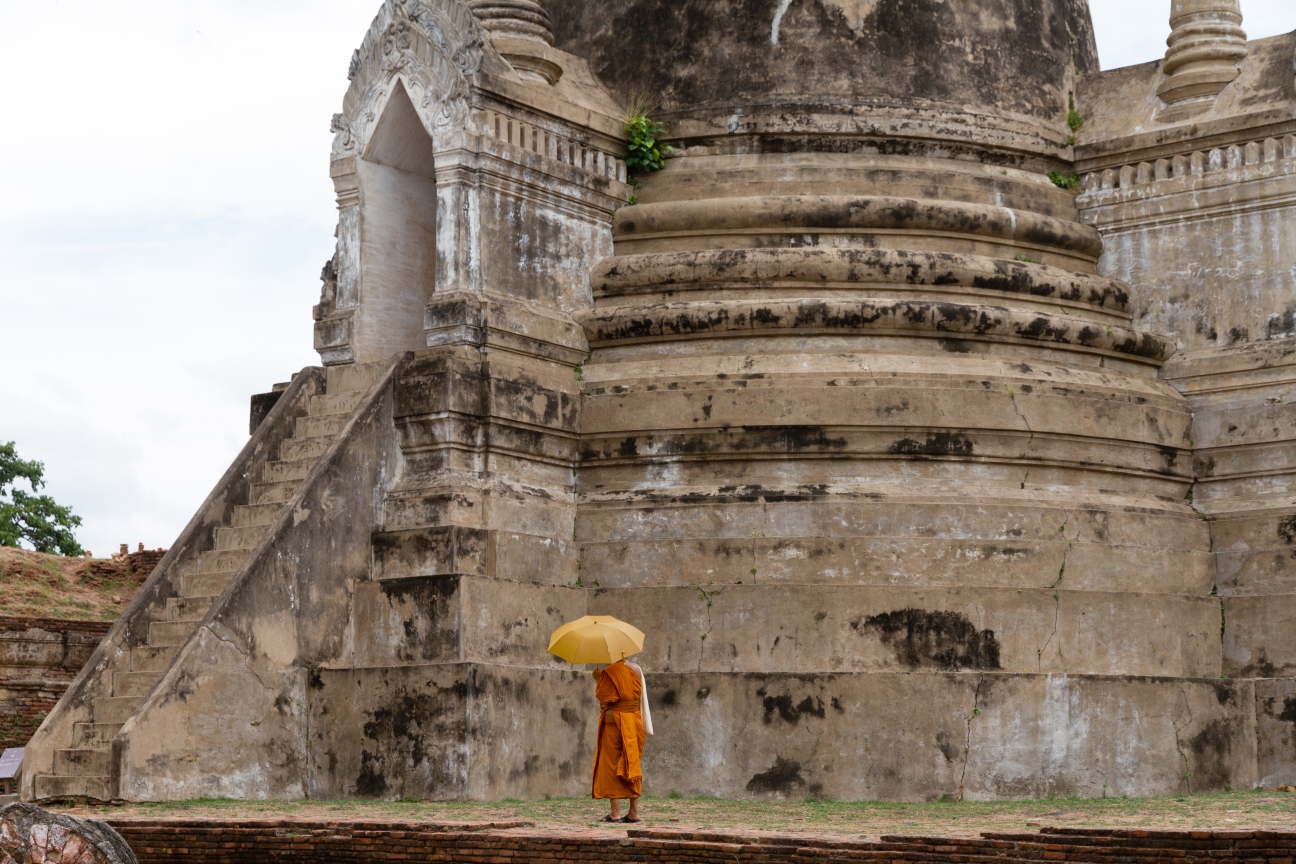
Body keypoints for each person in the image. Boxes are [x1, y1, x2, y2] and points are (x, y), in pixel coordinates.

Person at [590, 655, 649, 823]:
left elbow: (606, 697)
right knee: (632, 762)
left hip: (615, 723)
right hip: (634, 721)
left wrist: (598, 680)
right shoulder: (637, 669)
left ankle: (615, 813)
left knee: (611, 765)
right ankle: (633, 812)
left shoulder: (609, 671)